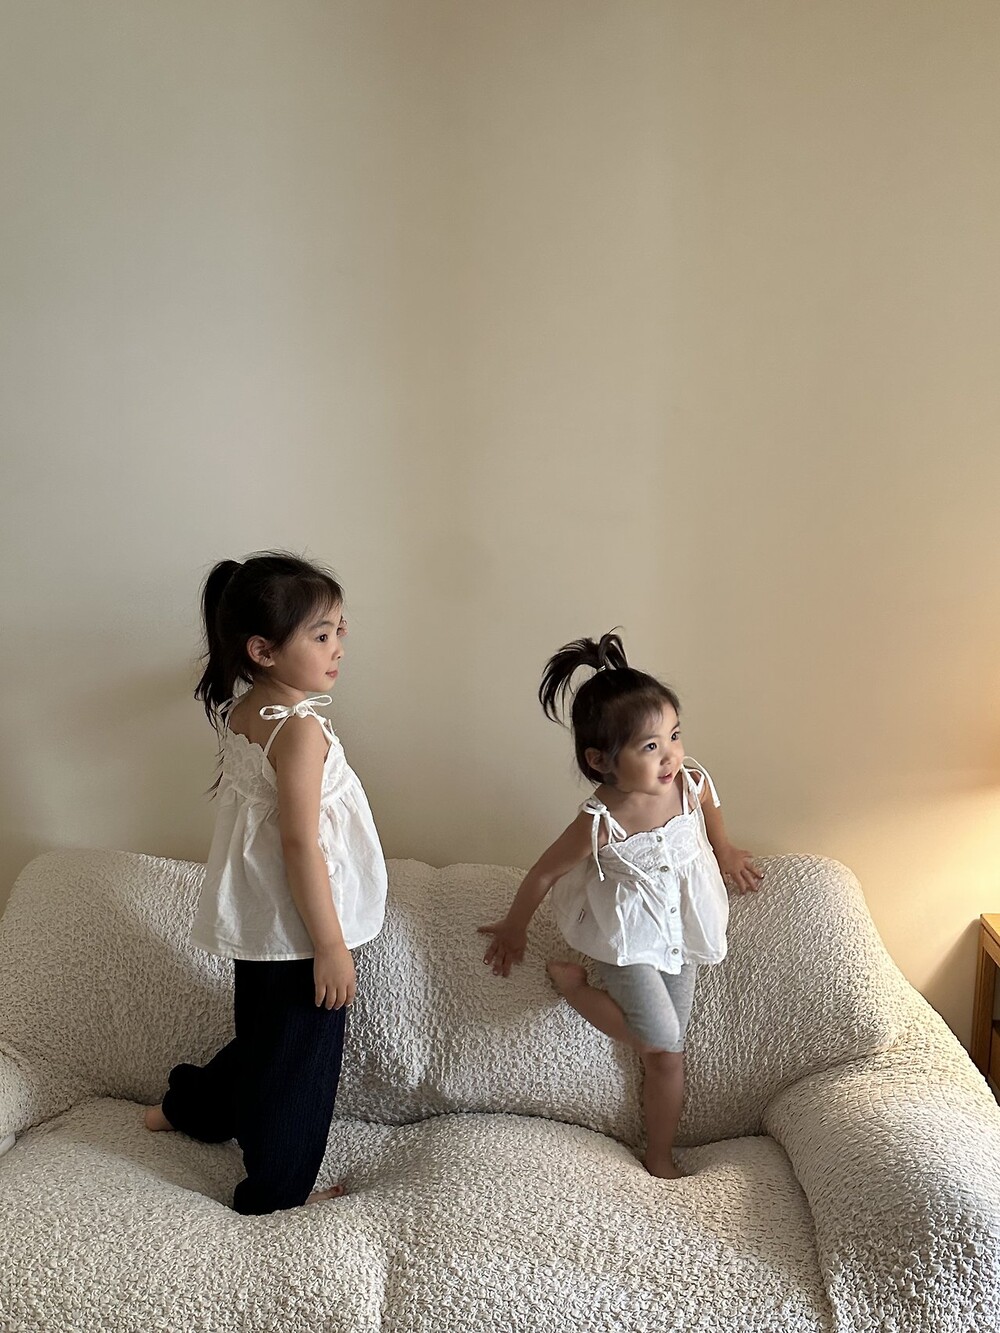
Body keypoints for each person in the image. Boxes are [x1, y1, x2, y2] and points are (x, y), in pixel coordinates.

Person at [144, 551, 387, 1214]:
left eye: (340, 630)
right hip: (301, 931)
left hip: (261, 924)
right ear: (264, 649)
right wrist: (330, 946)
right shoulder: (299, 730)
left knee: (264, 1042)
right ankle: (275, 1193)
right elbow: (300, 842)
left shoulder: (245, 710)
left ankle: (185, 1109)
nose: (339, 647)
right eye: (322, 634)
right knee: (297, 1073)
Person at [478, 631, 762, 1179]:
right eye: (650, 747)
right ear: (600, 760)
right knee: (663, 1045)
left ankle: (659, 1152)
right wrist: (515, 928)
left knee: (667, 1054)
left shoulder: (688, 782)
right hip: (629, 940)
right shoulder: (601, 819)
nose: (671, 755)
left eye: (674, 735)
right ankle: (575, 989)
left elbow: (709, 804)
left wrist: (724, 850)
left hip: (681, 933)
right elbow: (544, 872)